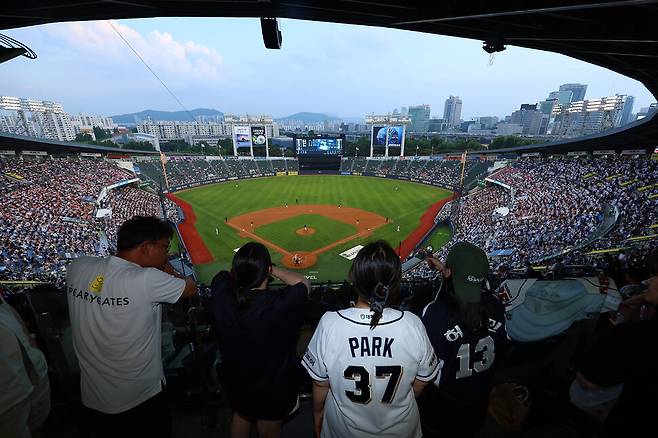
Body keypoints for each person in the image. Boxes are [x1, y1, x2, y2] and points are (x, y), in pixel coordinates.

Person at [66, 216, 197, 438]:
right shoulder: (148, 279)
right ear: (146, 247)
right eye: (164, 247)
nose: (167, 254)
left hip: (91, 398)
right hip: (141, 398)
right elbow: (190, 288)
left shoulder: (78, 267)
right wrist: (168, 269)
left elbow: (104, 283)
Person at [303, 241, 440, 438]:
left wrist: (317, 413)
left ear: (354, 278)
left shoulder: (330, 323)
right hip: (402, 431)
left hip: (343, 431)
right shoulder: (413, 324)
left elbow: (320, 384)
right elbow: (421, 381)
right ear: (395, 283)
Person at [211, 242, 310, 438]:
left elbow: (222, 276)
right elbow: (303, 283)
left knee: (241, 417)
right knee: (269, 431)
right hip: (272, 388)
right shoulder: (278, 304)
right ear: (268, 271)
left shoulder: (222, 295)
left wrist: (244, 270)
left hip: (236, 384)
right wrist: (272, 268)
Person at [419, 242, 508, 438]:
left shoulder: (435, 313)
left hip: (442, 409)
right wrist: (448, 271)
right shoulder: (495, 305)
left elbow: (422, 367)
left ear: (450, 272)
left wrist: (448, 274)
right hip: (479, 403)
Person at [575, 274, 658, 437]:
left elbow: (588, 381)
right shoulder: (636, 331)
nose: (649, 280)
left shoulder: (636, 333)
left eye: (656, 275)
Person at [0, 294, 50, 438]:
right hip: (8, 399)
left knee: (38, 427)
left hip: (35, 373)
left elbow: (8, 311)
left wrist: (33, 349)